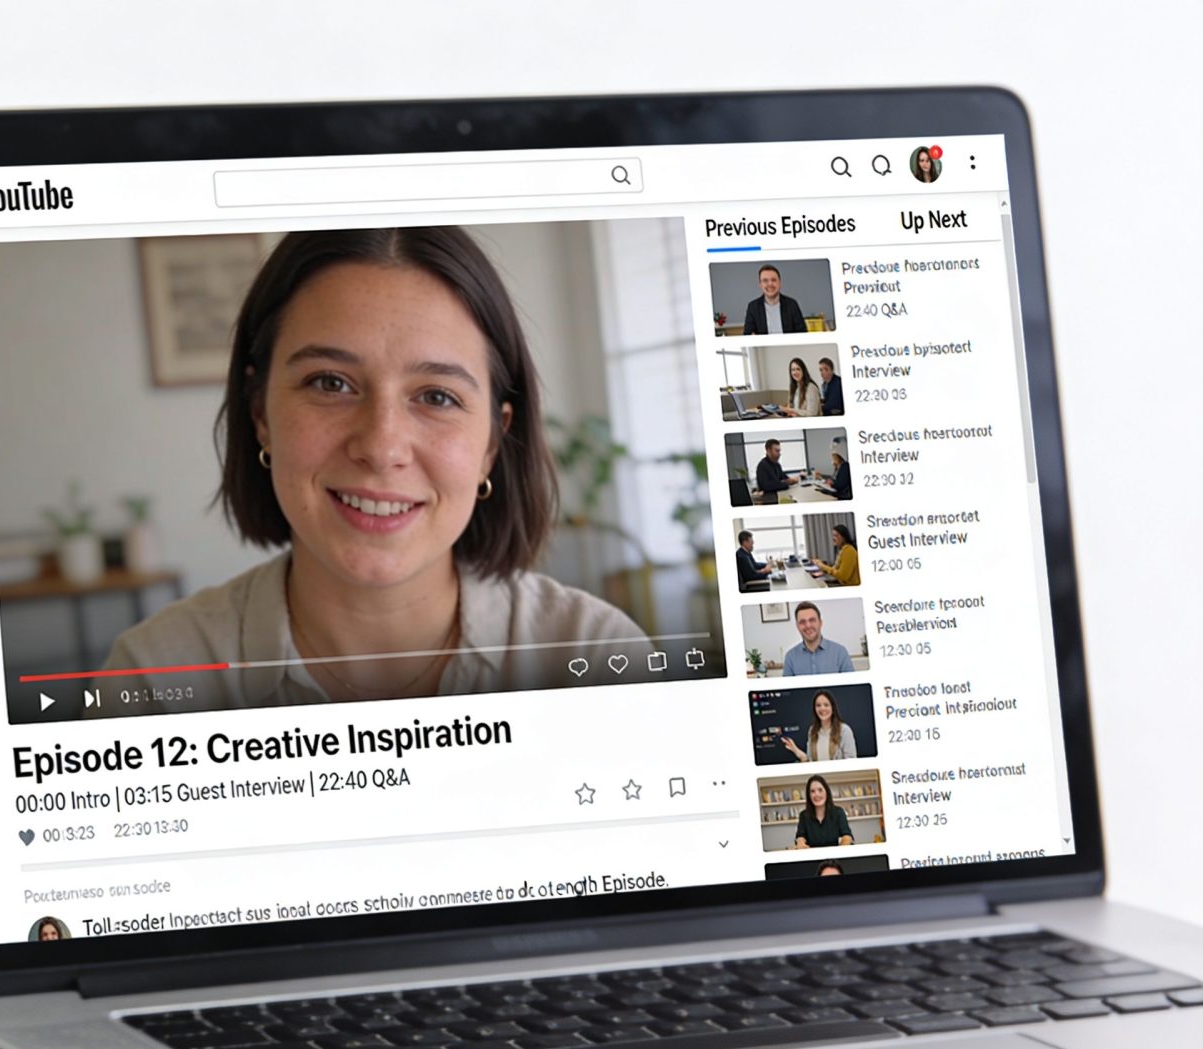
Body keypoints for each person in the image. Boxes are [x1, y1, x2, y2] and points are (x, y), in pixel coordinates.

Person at [101, 227, 645, 708]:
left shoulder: (598, 659)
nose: (382, 447)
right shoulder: (152, 680)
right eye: (330, 383)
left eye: (436, 396)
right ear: (260, 414)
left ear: (491, 444)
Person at [780, 688, 859, 762]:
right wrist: (796, 751)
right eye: (818, 705)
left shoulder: (844, 730)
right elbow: (810, 762)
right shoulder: (812, 731)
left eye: (826, 705)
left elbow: (851, 761)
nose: (822, 708)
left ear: (832, 707)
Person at [781, 600, 856, 675]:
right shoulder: (790, 657)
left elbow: (852, 684)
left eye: (812, 620)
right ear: (797, 626)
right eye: (802, 622)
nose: (808, 626)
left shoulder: (840, 652)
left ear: (820, 623)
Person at [790, 774, 856, 848]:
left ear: (827, 792)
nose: (817, 794)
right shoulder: (803, 815)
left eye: (820, 790)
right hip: (813, 858)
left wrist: (844, 845)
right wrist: (800, 841)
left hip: (835, 857)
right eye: (812, 791)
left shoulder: (838, 812)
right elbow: (800, 837)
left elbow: (847, 836)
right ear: (809, 795)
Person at [742, 264, 807, 335]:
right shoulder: (753, 307)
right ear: (760, 285)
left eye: (773, 280)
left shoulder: (792, 304)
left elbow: (802, 333)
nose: (770, 284)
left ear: (780, 283)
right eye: (765, 280)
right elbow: (747, 336)